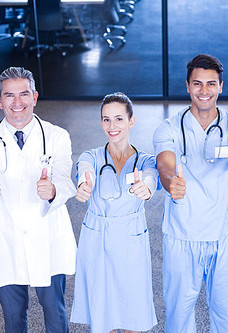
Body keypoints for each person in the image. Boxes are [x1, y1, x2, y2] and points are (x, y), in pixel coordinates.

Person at [0, 67, 77, 333]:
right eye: (9, 95)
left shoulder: (57, 136)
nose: (17, 103)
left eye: (24, 94)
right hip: (7, 240)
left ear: (35, 97)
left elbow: (65, 181)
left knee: (55, 314)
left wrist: (53, 191)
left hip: (47, 239)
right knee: (14, 318)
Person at [153, 54, 228, 332]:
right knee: (179, 311)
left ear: (221, 86)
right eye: (197, 84)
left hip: (224, 231)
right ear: (187, 86)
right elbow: (164, 163)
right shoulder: (169, 127)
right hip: (182, 233)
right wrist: (170, 180)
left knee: (223, 311)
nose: (204, 91)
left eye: (211, 84)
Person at [70, 92, 158, 333]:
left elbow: (151, 178)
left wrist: (146, 188)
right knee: (103, 313)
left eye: (119, 119)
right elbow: (84, 171)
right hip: (97, 241)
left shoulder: (145, 160)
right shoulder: (92, 156)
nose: (112, 126)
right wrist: (83, 186)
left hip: (131, 242)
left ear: (131, 121)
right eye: (106, 119)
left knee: (133, 311)